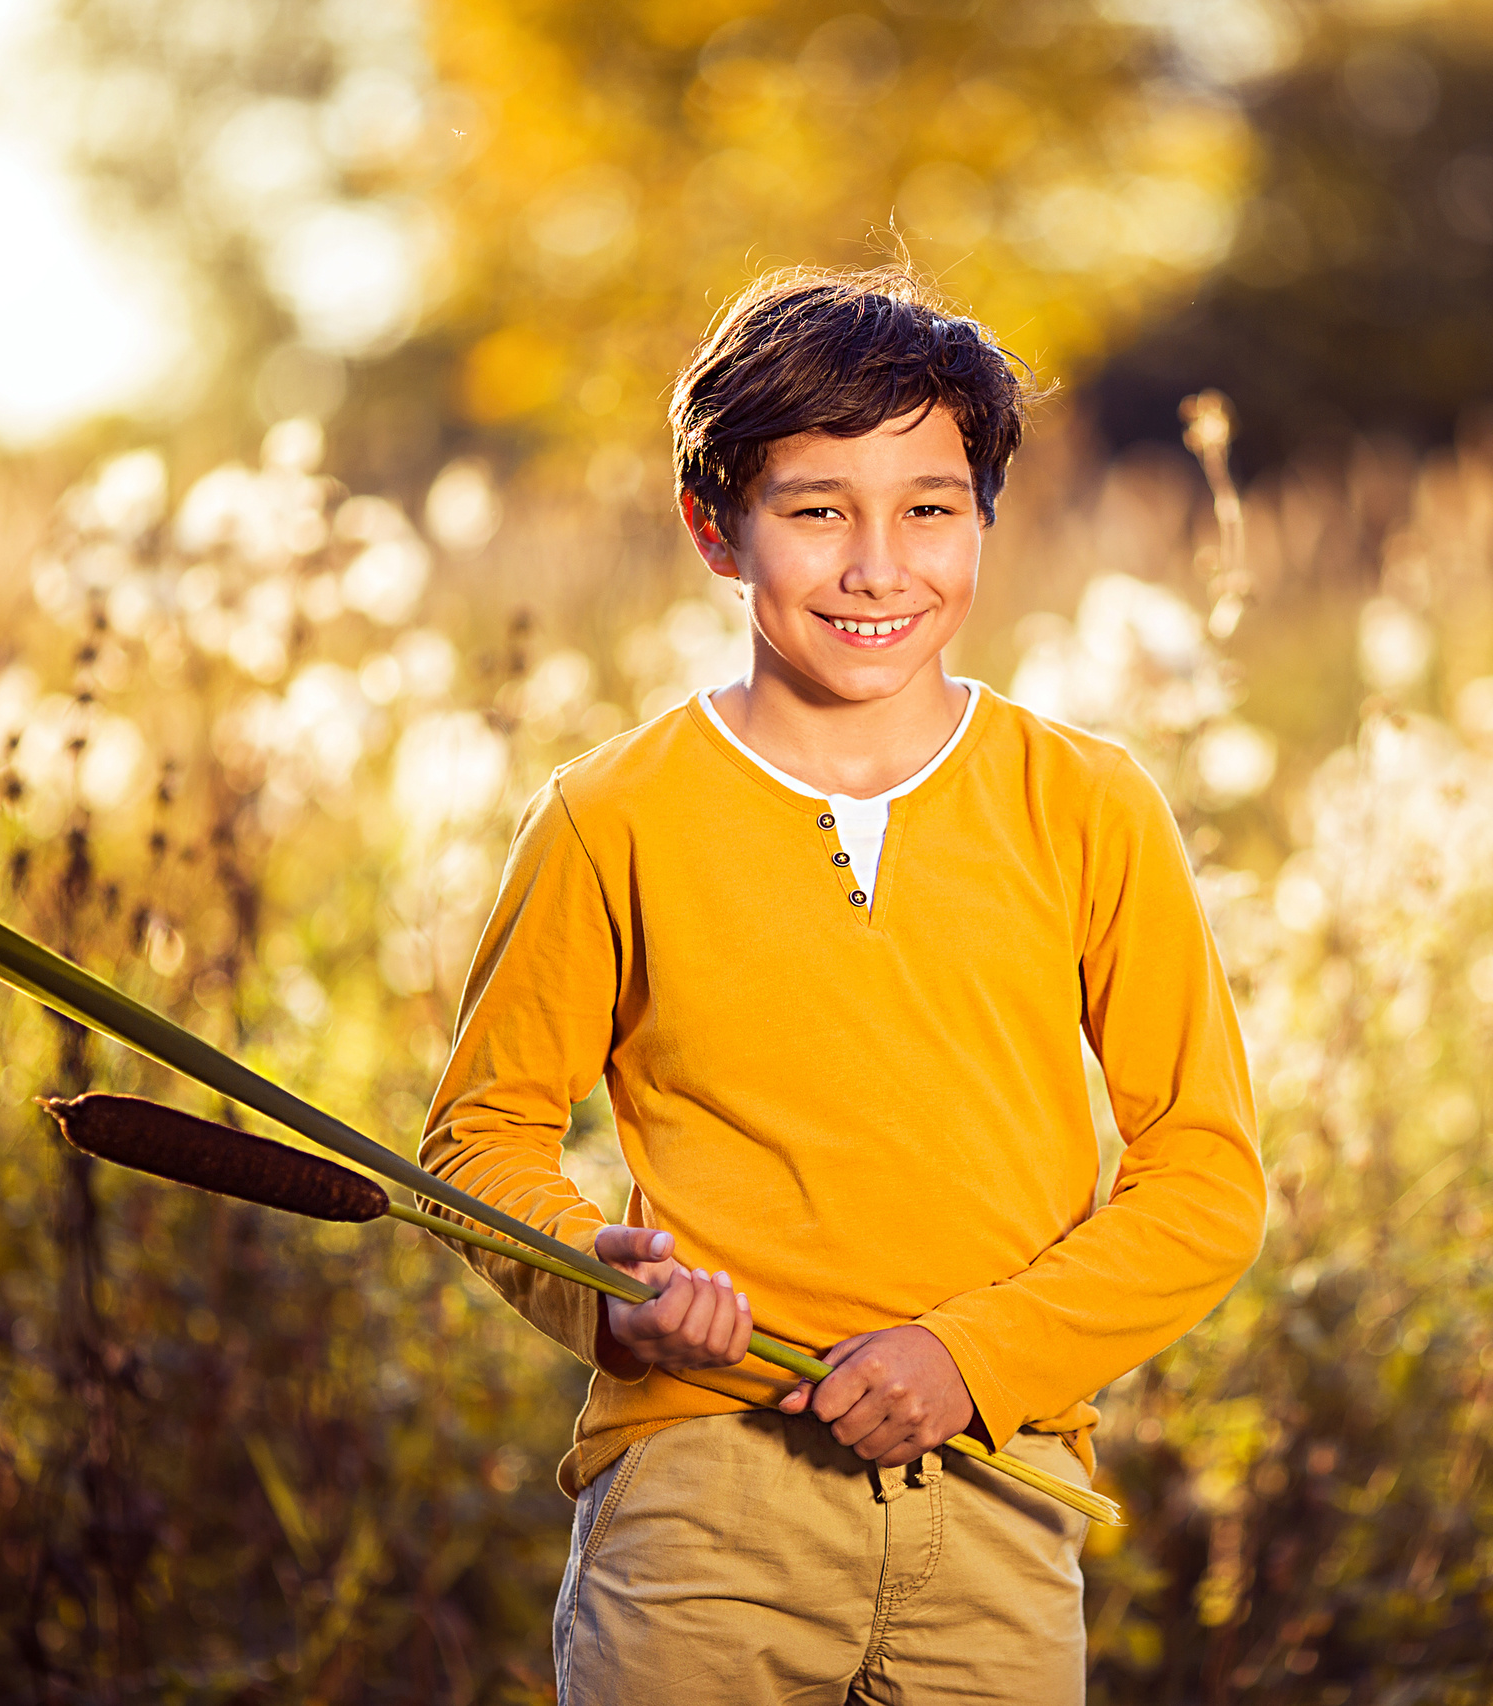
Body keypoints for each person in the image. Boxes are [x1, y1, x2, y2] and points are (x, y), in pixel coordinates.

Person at [419, 262, 1264, 1705]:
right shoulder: (605, 815)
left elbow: (1205, 1177)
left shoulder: (1090, 805)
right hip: (700, 1505)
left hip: (1001, 1498)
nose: (880, 565)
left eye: (930, 508)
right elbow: (477, 1140)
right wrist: (604, 1293)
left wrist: (975, 1352)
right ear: (717, 530)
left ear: (983, 519)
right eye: (818, 511)